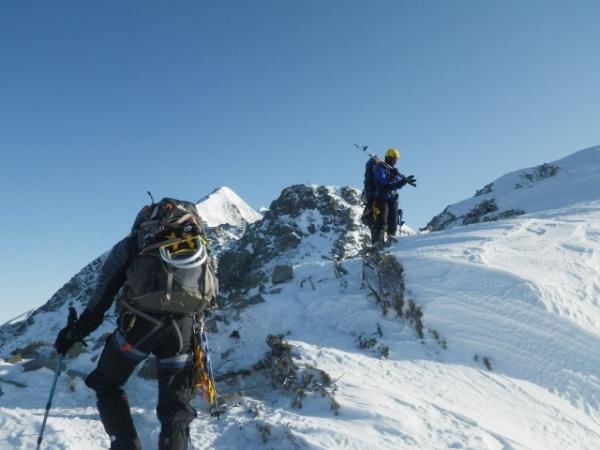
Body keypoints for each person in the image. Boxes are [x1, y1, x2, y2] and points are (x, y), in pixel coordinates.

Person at [54, 198, 218, 450]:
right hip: (184, 332)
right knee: (175, 409)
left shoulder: (135, 243)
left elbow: (104, 292)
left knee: (106, 383)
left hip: (139, 327)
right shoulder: (198, 246)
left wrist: (76, 332)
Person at [371, 148, 416, 246]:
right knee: (382, 220)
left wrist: (404, 181)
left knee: (393, 221)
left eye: (396, 159)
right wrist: (394, 177)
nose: (394, 161)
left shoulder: (393, 171)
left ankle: (391, 240)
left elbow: (397, 185)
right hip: (381, 198)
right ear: (388, 157)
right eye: (393, 158)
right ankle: (379, 243)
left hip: (392, 199)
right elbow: (385, 183)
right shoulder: (379, 167)